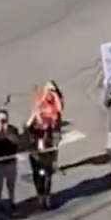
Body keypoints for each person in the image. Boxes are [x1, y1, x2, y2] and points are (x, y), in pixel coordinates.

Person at [26, 82, 63, 210]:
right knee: (38, 174)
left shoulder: (50, 120)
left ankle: (47, 197)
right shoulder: (34, 123)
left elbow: (58, 111)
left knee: (47, 175)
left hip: (47, 151)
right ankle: (40, 195)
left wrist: (54, 93)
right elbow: (27, 127)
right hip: (36, 152)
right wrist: (35, 115)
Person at [0, 109, 21, 216]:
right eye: (1, 119)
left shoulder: (13, 129)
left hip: (10, 162)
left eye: (4, 119)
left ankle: (12, 201)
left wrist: (7, 132)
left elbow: (16, 141)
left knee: (11, 185)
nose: (3, 121)